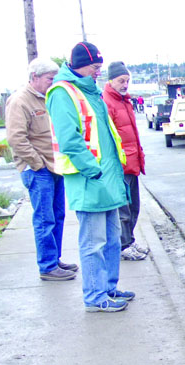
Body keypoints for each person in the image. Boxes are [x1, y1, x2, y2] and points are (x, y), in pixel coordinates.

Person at [46, 42, 134, 313]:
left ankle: (108, 287)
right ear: (81, 64)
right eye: (95, 67)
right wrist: (92, 169)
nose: (98, 72)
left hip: (107, 179)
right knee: (93, 242)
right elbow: (70, 139)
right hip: (90, 180)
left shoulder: (90, 90)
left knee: (110, 238)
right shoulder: (62, 93)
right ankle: (95, 296)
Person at [5, 57, 79, 281]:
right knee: (44, 218)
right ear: (34, 77)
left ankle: (54, 260)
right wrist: (37, 163)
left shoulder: (48, 98)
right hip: (38, 170)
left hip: (55, 166)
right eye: (49, 78)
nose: (53, 82)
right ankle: (47, 266)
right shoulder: (20, 101)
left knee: (58, 215)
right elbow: (16, 138)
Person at [103, 61, 149, 262]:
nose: (125, 84)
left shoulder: (125, 101)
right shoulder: (107, 102)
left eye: (127, 81)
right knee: (123, 209)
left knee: (134, 206)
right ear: (110, 80)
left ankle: (129, 240)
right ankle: (123, 245)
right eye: (121, 80)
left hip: (132, 163)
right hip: (121, 165)